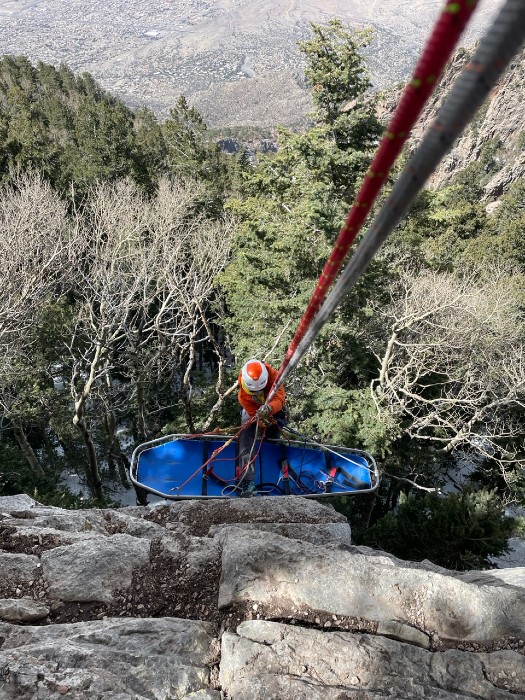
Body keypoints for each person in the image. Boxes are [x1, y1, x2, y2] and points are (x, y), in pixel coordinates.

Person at [237, 359, 286, 495]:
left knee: (272, 440)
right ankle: (247, 481)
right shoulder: (244, 392)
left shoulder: (275, 377)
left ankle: (273, 473)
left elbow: (279, 399)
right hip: (254, 410)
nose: (257, 393)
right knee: (246, 438)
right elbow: (252, 413)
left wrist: (269, 409)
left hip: (274, 409)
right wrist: (260, 421)